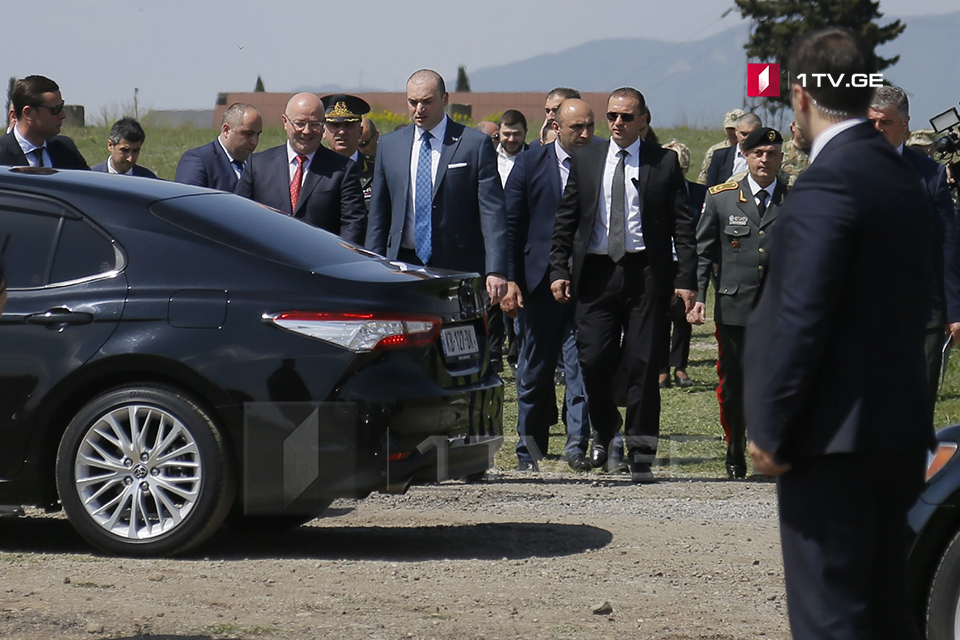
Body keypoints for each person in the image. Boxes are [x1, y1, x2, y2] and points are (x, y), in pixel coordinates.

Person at [744, 28, 936, 639]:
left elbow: (801, 315)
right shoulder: (904, 177)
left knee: (833, 619)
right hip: (898, 434)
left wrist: (771, 427)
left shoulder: (829, 185)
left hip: (832, 442)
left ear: (800, 96)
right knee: (885, 611)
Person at [550, 87, 696, 484]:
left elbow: (683, 226)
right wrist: (558, 269)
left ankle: (641, 451)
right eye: (612, 116)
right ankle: (607, 428)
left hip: (646, 274)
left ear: (643, 121)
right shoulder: (587, 158)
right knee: (593, 359)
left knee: (644, 364)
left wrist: (687, 280)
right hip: (596, 274)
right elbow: (566, 219)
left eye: (626, 117)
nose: (617, 123)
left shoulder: (663, 163)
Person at [503, 98, 596, 472]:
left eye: (590, 126)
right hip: (538, 283)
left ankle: (577, 445)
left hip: (587, 282)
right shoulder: (529, 164)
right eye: (577, 128)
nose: (585, 134)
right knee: (535, 370)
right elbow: (511, 226)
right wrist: (510, 279)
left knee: (582, 368)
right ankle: (530, 449)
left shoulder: (602, 162)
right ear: (557, 127)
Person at [689, 127, 786, 479]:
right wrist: (699, 296)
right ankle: (735, 447)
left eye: (772, 153)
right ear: (745, 155)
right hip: (735, 307)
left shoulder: (796, 197)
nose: (765, 159)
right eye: (758, 153)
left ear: (781, 157)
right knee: (733, 385)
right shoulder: (722, 197)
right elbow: (703, 252)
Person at [365, 69, 507, 307]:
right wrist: (371, 267)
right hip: (402, 263)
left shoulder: (473, 144)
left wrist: (497, 269)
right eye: (413, 102)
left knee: (462, 337)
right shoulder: (390, 146)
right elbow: (379, 215)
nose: (419, 109)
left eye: (427, 102)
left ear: (445, 99)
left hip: (457, 265)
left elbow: (492, 212)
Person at [869, 85, 960, 409]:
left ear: (905, 123)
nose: (877, 130)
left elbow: (946, 245)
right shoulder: (845, 169)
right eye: (872, 122)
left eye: (886, 123)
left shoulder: (931, 175)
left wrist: (954, 310)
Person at [236, 93, 367, 245]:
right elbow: (240, 216)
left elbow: (353, 224)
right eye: (299, 123)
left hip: (321, 261)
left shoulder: (342, 169)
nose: (306, 131)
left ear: (323, 125)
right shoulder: (257, 165)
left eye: (314, 124)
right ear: (285, 122)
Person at [658, 141, 707, 390]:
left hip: (687, 261)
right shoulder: (655, 191)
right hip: (661, 261)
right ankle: (661, 369)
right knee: (660, 314)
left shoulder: (700, 193)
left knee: (683, 315)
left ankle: (679, 367)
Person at [0, 75, 88, 169]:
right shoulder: (3, 154)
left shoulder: (66, 149)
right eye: (55, 109)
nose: (63, 115)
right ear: (28, 113)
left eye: (61, 107)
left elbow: (87, 182)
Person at [175, 103, 262, 192]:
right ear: (226, 130)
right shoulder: (198, 160)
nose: (254, 142)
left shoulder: (257, 167)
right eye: (248, 134)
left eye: (258, 135)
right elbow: (187, 203)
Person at [321, 93, 375, 209]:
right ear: (323, 131)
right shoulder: (313, 170)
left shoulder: (377, 170)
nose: (341, 132)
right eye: (335, 125)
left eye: (348, 125)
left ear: (360, 131)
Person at [91, 118, 159, 178]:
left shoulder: (148, 180)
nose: (130, 158)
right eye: (125, 150)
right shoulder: (91, 178)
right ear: (110, 145)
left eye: (135, 151)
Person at [706, 113, 761, 187]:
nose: (747, 138)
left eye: (752, 135)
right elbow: (710, 188)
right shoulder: (720, 156)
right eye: (744, 134)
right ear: (736, 132)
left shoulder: (767, 157)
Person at [696, 109, 744, 185]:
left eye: (735, 129)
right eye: (729, 129)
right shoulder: (715, 150)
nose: (733, 133)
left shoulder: (751, 151)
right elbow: (704, 177)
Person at [780, 120, 810, 188]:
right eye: (802, 128)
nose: (806, 132)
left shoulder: (823, 153)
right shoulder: (779, 152)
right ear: (793, 127)